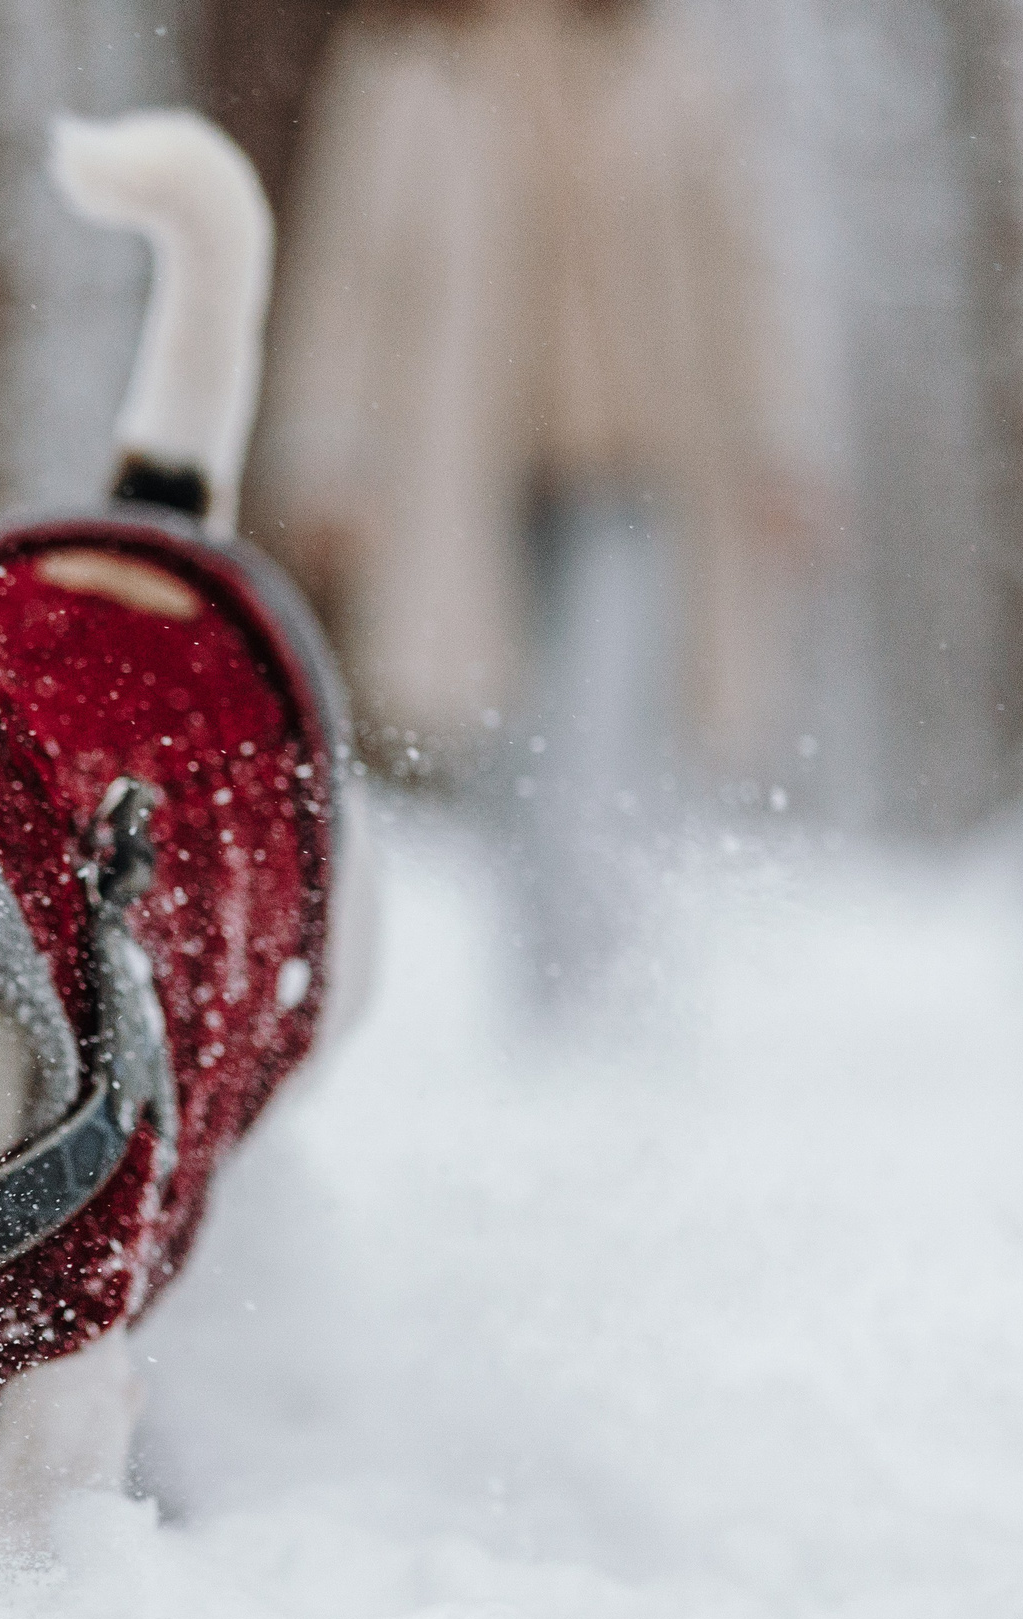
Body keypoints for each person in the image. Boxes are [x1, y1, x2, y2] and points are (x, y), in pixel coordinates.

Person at [256, 0, 828, 1000]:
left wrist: (782, 445)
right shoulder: (408, 70)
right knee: (501, 727)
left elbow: (743, 271)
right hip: (464, 469)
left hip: (637, 459)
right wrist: (328, 461)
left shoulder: (666, 66)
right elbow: (347, 277)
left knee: (601, 720)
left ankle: (596, 969)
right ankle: (545, 969)